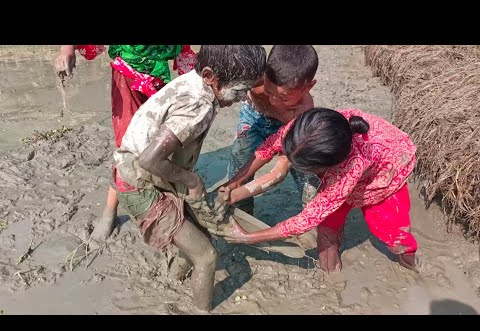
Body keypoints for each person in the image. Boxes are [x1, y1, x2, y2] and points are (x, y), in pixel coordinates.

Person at [112, 45, 266, 311]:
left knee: (198, 231)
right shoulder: (198, 105)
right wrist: (192, 181)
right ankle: (201, 310)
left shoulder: (193, 81)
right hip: (139, 183)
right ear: (210, 76)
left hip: (147, 171)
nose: (243, 98)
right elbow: (148, 160)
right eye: (240, 90)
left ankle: (174, 277)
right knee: (206, 257)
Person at [222, 108, 418, 273]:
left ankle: (410, 264)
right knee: (326, 229)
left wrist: (249, 237)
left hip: (386, 171)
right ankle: (332, 274)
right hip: (346, 162)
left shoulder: (347, 171)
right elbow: (268, 147)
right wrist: (235, 181)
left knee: (393, 236)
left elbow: (306, 220)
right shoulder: (304, 131)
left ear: (328, 167)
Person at [54, 45, 196, 244]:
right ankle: (109, 212)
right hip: (127, 74)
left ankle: (164, 204)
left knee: (161, 144)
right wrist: (67, 50)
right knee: (129, 146)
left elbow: (185, 54)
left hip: (159, 78)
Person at [224, 45, 319, 215]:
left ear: (308, 87)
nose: (274, 100)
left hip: (290, 129)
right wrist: (236, 182)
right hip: (254, 117)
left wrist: (239, 191)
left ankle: (313, 217)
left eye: (283, 97)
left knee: (309, 180)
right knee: (239, 163)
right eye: (268, 92)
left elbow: (277, 169)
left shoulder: (303, 111)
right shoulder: (256, 78)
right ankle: (242, 212)